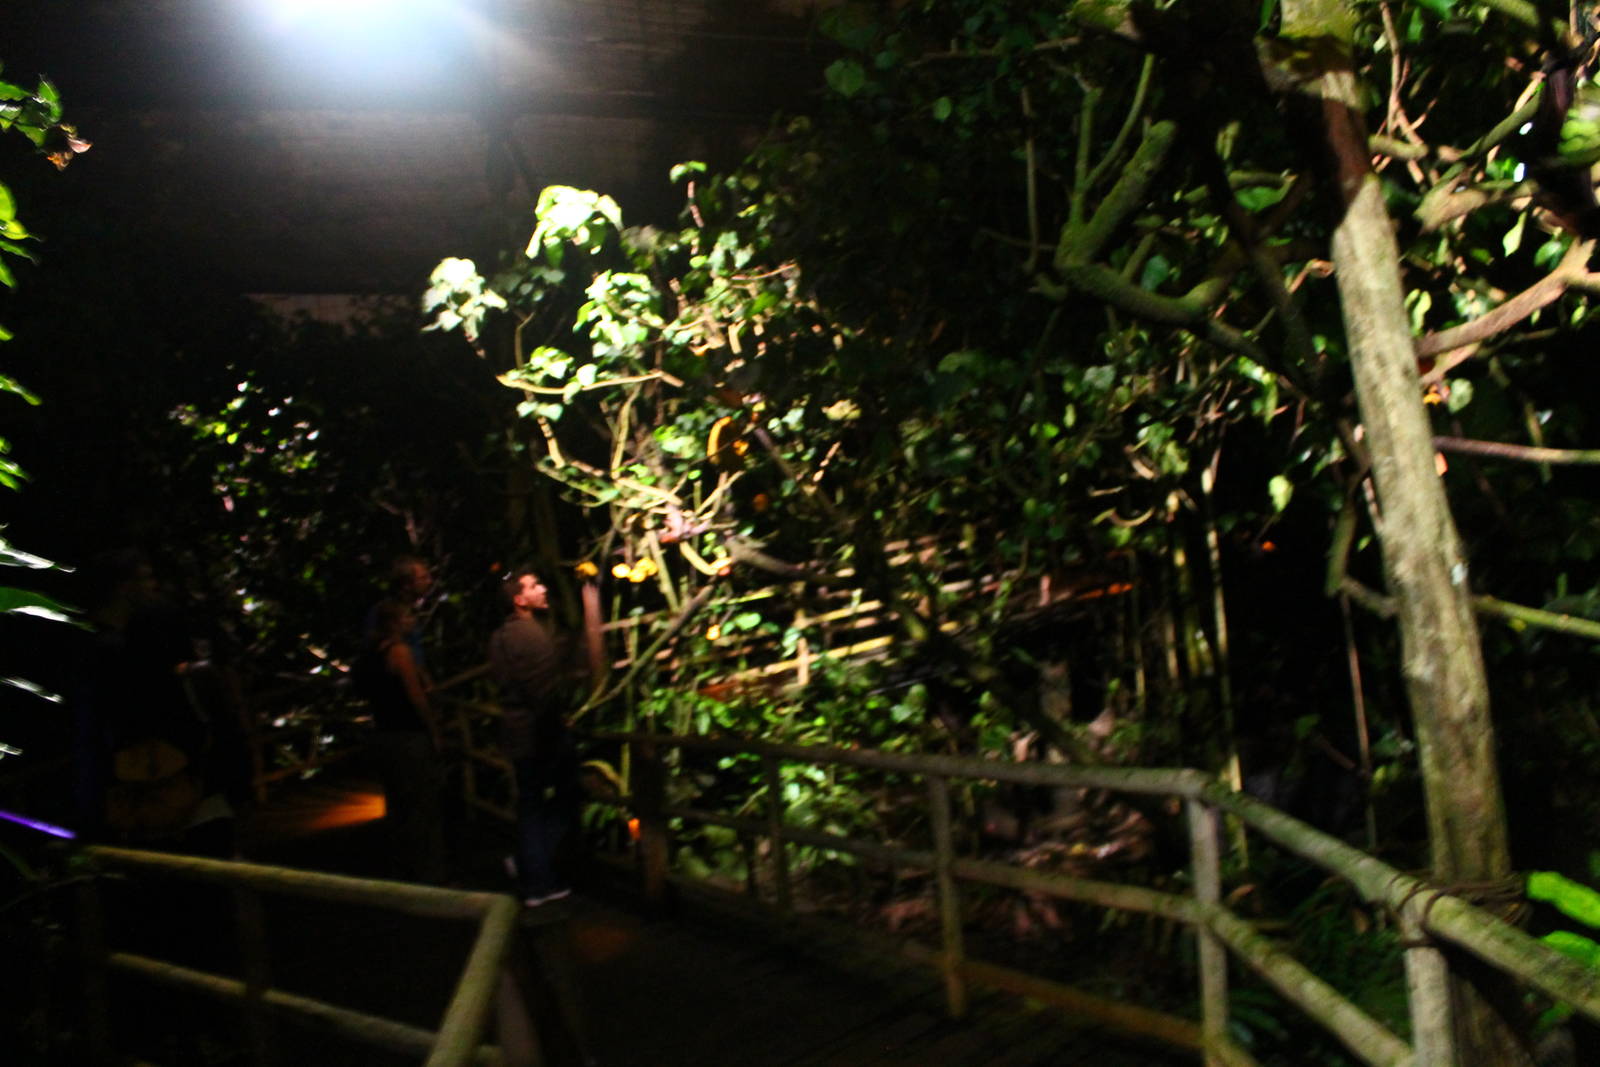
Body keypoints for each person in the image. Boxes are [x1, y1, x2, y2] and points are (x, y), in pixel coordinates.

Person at [489, 567, 600, 906]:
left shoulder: (499, 637)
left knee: (530, 803)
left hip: (516, 731)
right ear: (520, 600)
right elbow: (543, 693)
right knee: (567, 794)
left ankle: (529, 865)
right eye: (535, 586)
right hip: (540, 734)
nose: (543, 589)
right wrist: (557, 727)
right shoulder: (533, 637)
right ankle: (536, 879)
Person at [358, 598, 448, 883]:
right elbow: (416, 697)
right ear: (395, 623)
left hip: (383, 735)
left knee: (397, 805)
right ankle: (430, 874)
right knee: (422, 805)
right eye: (408, 616)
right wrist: (434, 730)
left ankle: (402, 870)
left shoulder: (371, 653)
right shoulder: (400, 652)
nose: (413, 621)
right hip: (408, 735)